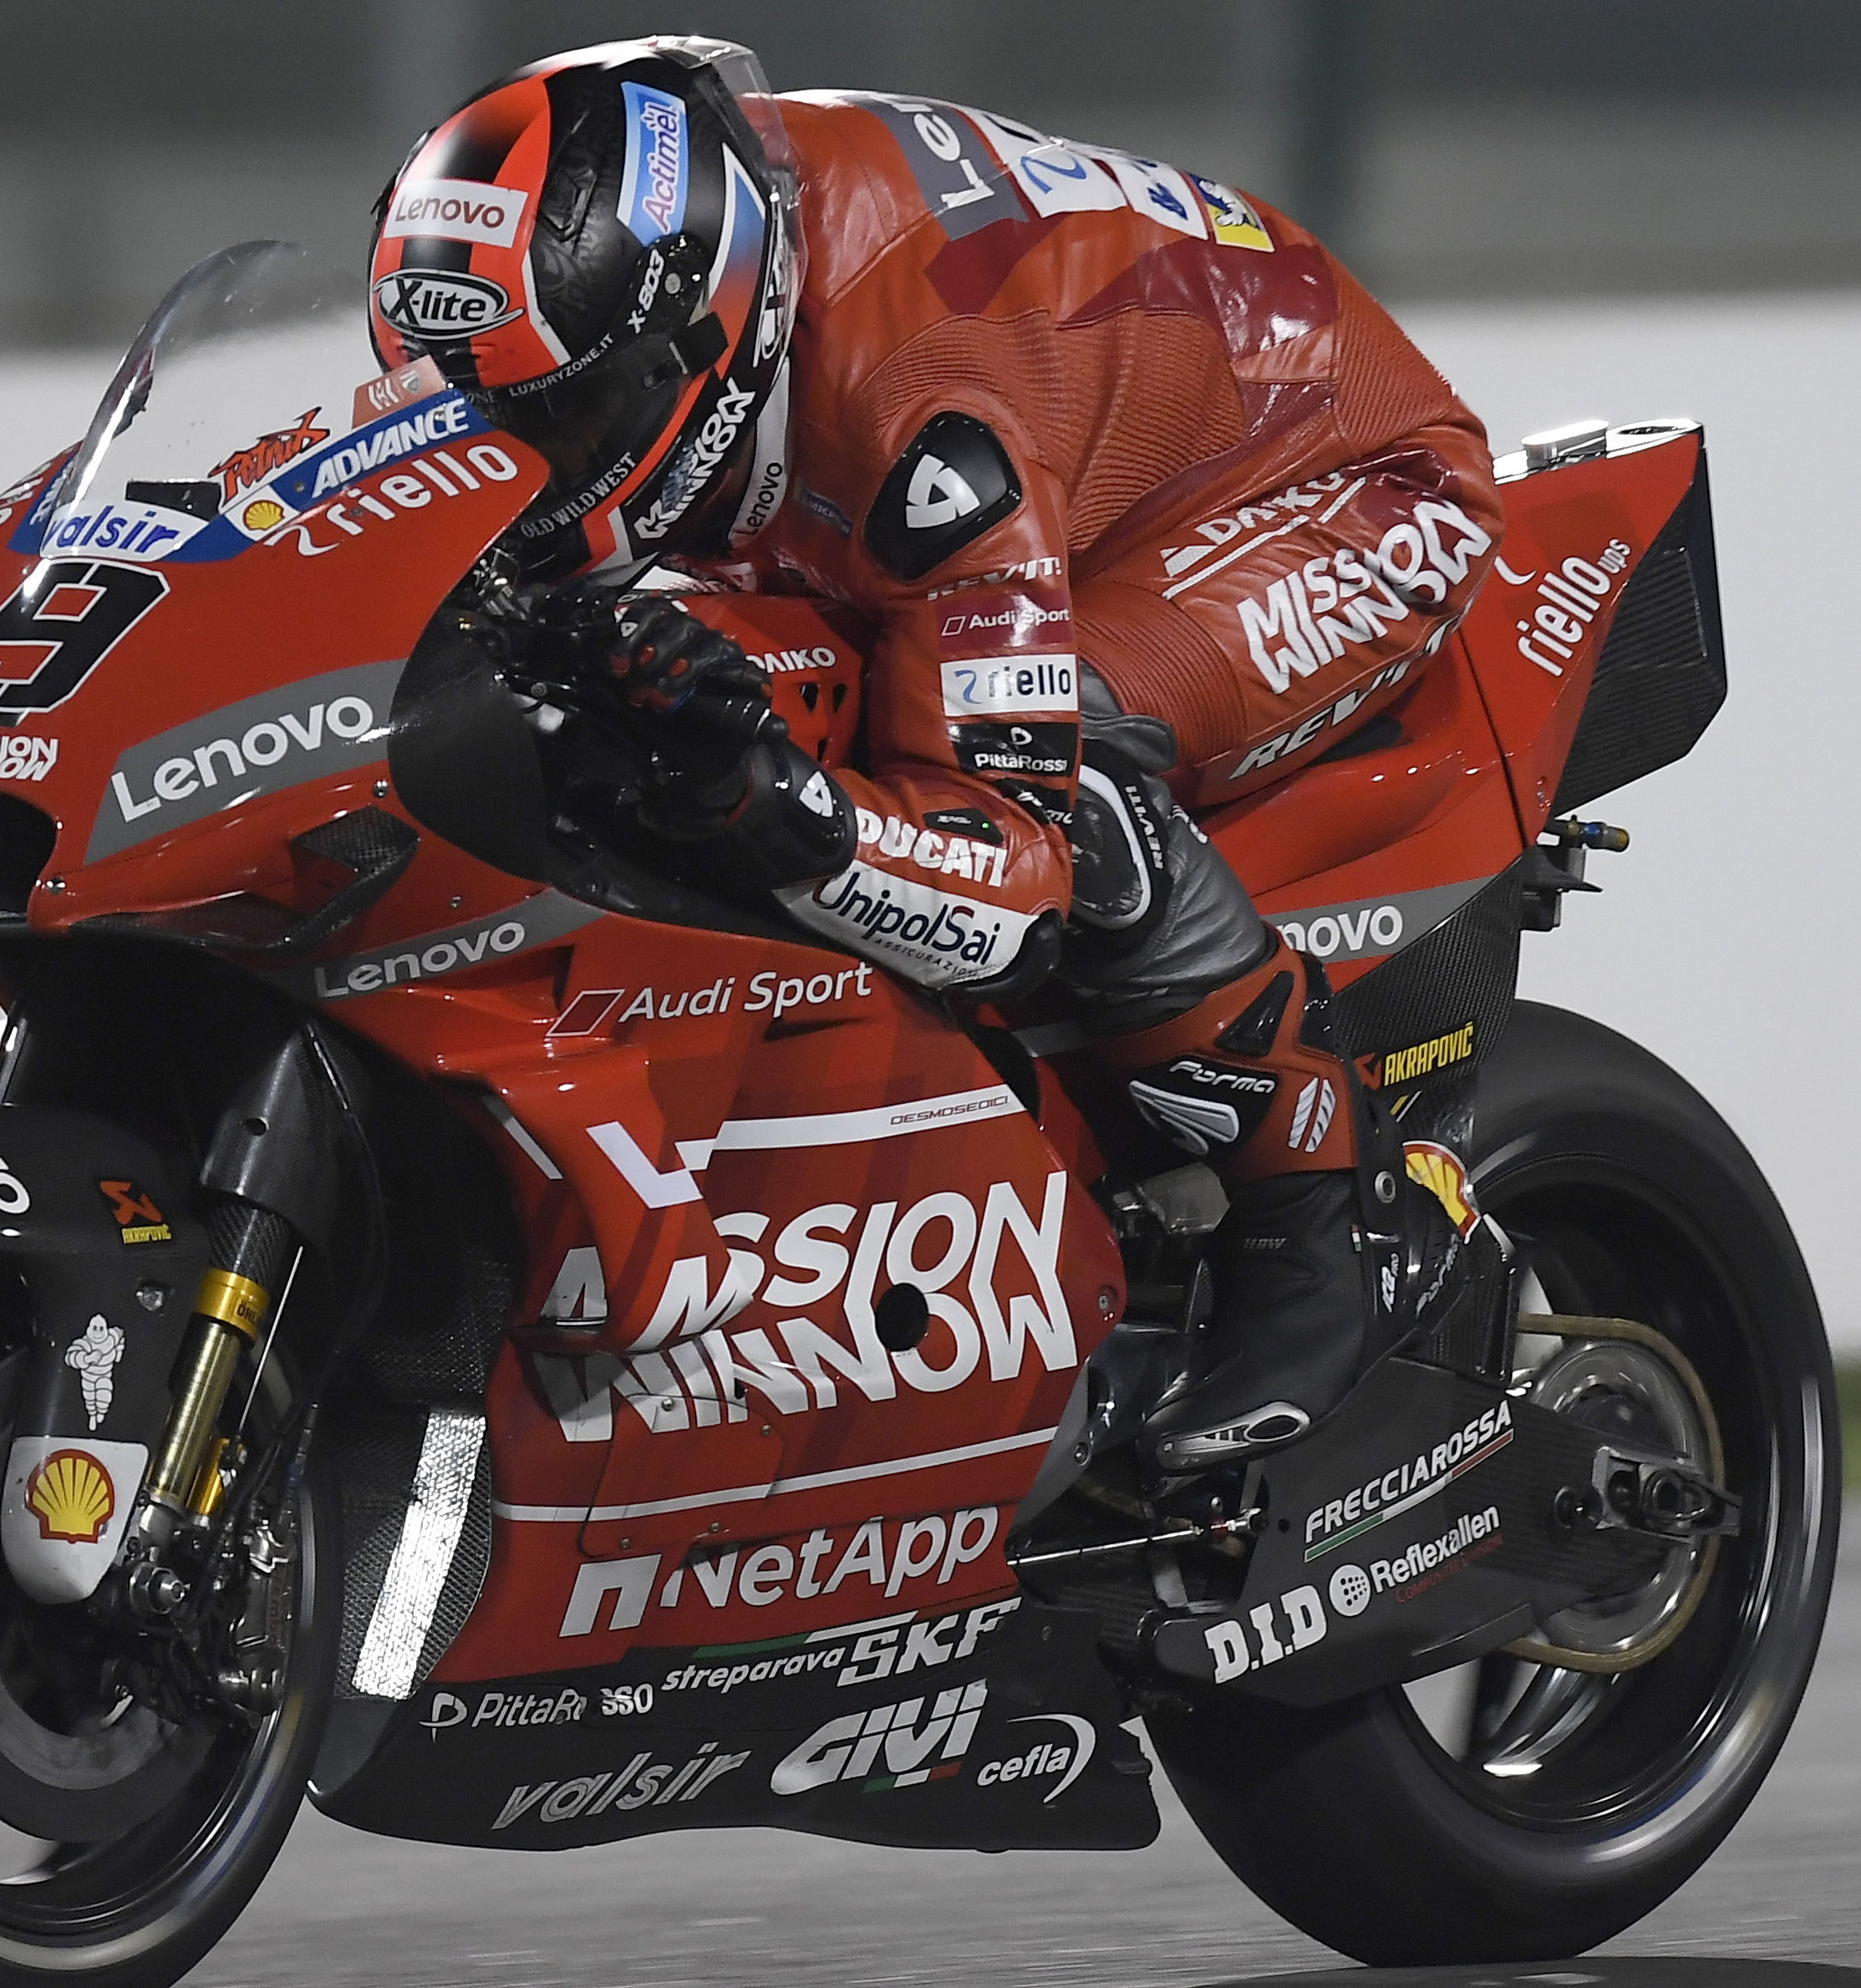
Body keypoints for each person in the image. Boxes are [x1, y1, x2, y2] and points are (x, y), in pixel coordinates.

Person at [368, 38, 1505, 1472]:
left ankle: (1327, 1229)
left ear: (701, 335)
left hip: (1336, 479)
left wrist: (775, 807)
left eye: (552, 415)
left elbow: (1007, 877)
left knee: (1070, 772)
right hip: (1077, 440)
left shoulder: (914, 409)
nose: (509, 452)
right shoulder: (644, 275)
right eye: (462, 401)